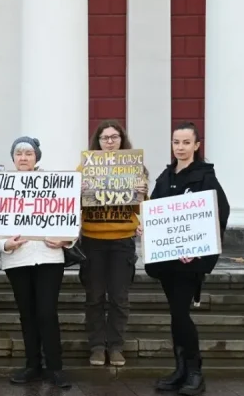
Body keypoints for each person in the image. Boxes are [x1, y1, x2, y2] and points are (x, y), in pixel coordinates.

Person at [141, 122, 229, 396]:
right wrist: (145, 225)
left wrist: (201, 248)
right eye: (176, 142)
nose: (180, 147)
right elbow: (154, 210)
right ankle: (180, 369)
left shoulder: (205, 177)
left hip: (190, 262)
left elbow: (219, 213)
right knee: (176, 315)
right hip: (167, 260)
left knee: (181, 313)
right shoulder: (165, 177)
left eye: (186, 142)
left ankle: (194, 371)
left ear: (196, 145)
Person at [0, 137, 72, 389]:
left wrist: (65, 240)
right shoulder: (2, 185)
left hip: (49, 257)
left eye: (28, 153)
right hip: (18, 259)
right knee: (27, 314)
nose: (23, 157)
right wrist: (5, 244)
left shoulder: (55, 184)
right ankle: (33, 365)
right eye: (19, 153)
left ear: (37, 157)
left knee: (47, 312)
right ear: (13, 158)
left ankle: (55, 367)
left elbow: (70, 215)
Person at [78, 120, 148, 367]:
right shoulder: (83, 168)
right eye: (104, 137)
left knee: (119, 297)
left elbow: (142, 209)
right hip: (92, 241)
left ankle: (116, 346)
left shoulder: (136, 169)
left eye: (114, 137)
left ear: (122, 140)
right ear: (97, 141)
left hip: (122, 242)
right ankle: (97, 346)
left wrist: (142, 193)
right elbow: (71, 205)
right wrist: (79, 190)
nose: (109, 141)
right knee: (94, 296)